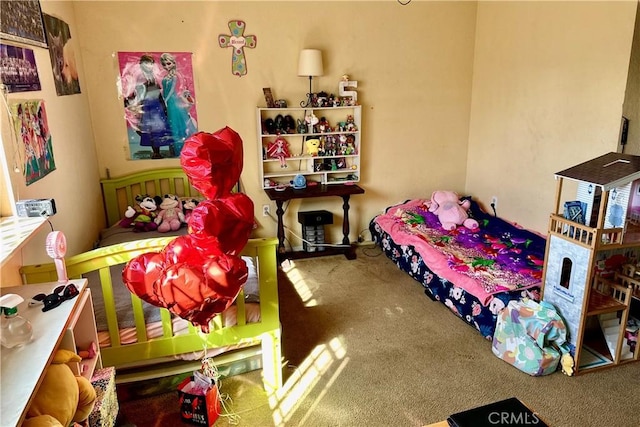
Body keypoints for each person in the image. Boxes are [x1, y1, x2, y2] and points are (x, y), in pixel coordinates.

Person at [125, 54, 173, 159]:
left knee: (158, 129)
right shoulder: (140, 77)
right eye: (147, 64)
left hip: (156, 105)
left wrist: (163, 105)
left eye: (151, 64)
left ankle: (158, 151)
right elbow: (138, 93)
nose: (150, 66)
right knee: (149, 130)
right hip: (147, 106)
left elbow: (158, 92)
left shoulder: (153, 77)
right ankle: (156, 151)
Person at [159, 53, 197, 155]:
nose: (166, 66)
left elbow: (171, 90)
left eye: (168, 63)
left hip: (172, 100)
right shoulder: (166, 76)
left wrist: (166, 100)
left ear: (173, 63)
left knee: (175, 123)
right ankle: (174, 148)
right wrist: (163, 98)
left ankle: (180, 149)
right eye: (164, 64)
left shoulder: (174, 76)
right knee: (171, 123)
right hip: (167, 100)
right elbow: (164, 90)